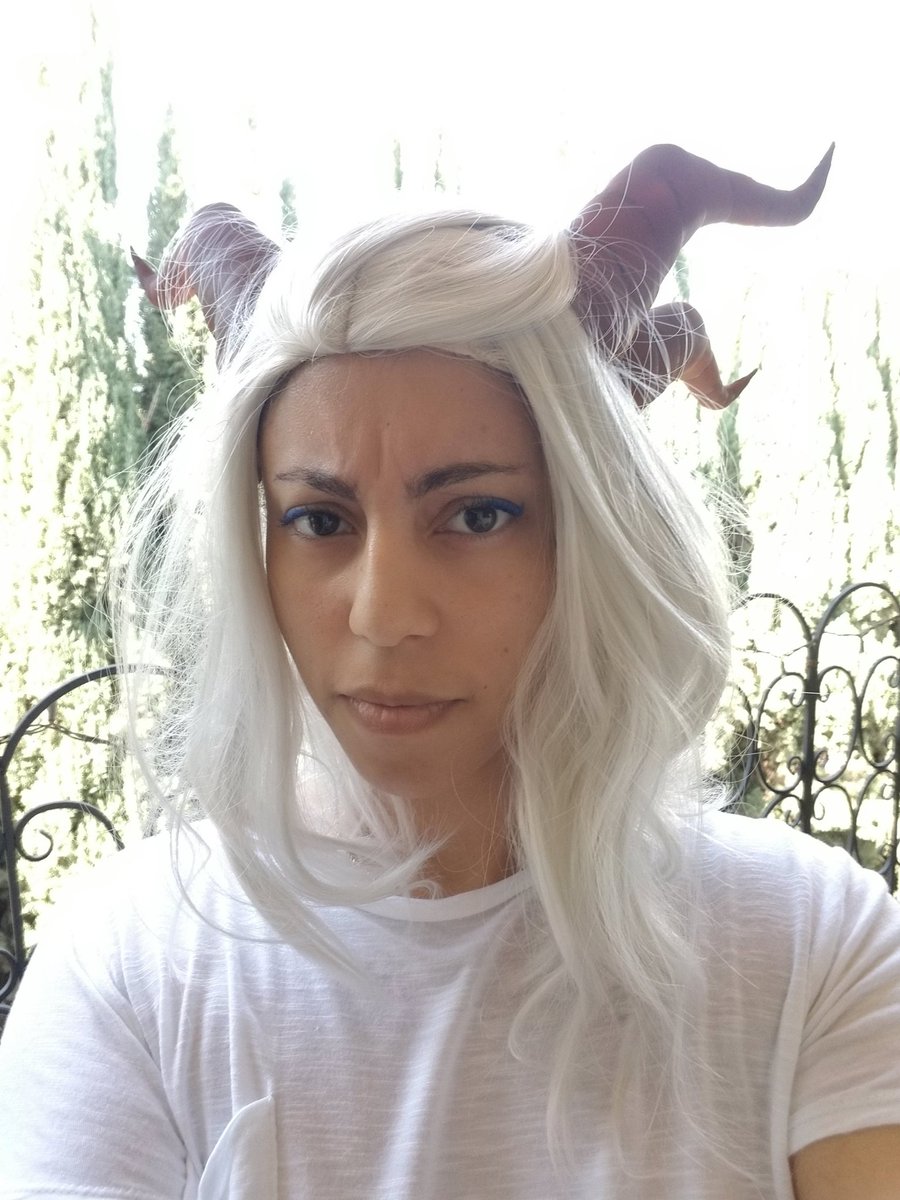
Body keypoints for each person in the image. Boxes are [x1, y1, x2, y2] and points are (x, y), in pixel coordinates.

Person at [1, 144, 899, 1200]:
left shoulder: (813, 948)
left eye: (477, 514)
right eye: (319, 519)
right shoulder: (130, 965)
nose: (384, 615)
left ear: (591, 537)